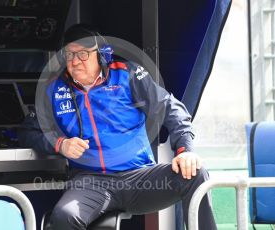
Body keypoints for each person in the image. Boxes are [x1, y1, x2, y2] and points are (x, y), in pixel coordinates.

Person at [18, 24, 217, 230]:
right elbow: (26, 132)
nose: (75, 61)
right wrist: (60, 144)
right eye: (69, 55)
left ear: (101, 55)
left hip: (140, 177)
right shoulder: (54, 89)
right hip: (90, 181)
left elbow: (170, 108)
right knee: (64, 217)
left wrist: (185, 150)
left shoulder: (127, 74)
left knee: (195, 174)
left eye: (83, 54)